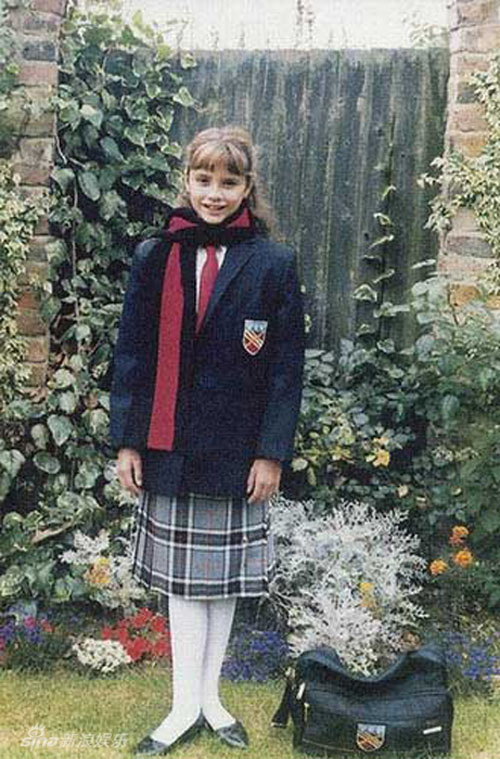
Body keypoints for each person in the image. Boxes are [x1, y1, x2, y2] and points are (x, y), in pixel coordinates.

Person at [110, 125, 305, 756]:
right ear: (187, 181)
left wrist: (271, 453)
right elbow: (132, 354)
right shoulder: (155, 256)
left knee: (222, 583)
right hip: (168, 444)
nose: (214, 194)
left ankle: (211, 700)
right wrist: (127, 441)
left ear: (247, 188)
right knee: (183, 584)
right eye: (203, 180)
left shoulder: (273, 263)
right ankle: (180, 708)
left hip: (238, 451)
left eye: (228, 182)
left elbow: (286, 370)